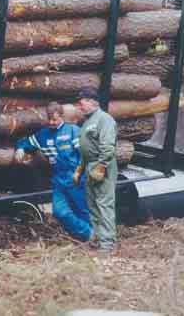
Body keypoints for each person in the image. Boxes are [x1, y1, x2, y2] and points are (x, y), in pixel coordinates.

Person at [14, 102, 92, 241]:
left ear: (62, 117)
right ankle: (88, 234)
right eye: (49, 119)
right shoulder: (43, 135)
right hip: (58, 180)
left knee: (83, 211)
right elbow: (27, 142)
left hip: (76, 177)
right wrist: (20, 149)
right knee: (59, 212)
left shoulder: (73, 131)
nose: (51, 122)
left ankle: (91, 239)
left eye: (55, 119)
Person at [73, 87, 118, 251]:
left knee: (104, 204)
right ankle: (98, 239)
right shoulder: (87, 121)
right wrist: (79, 169)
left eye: (81, 103)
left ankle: (107, 244)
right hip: (89, 165)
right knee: (92, 205)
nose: (79, 107)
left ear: (91, 101)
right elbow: (85, 149)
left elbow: (107, 147)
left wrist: (100, 168)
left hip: (102, 166)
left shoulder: (104, 119)